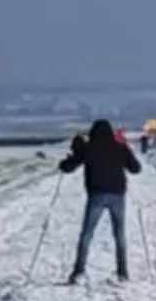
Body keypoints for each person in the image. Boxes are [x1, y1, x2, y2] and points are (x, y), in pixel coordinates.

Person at [58, 116, 142, 283]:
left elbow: (68, 167)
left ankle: (78, 272)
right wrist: (125, 147)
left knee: (87, 234)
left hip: (96, 194)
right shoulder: (119, 147)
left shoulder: (89, 148)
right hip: (117, 194)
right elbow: (136, 168)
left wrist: (75, 150)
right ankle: (122, 272)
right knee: (119, 235)